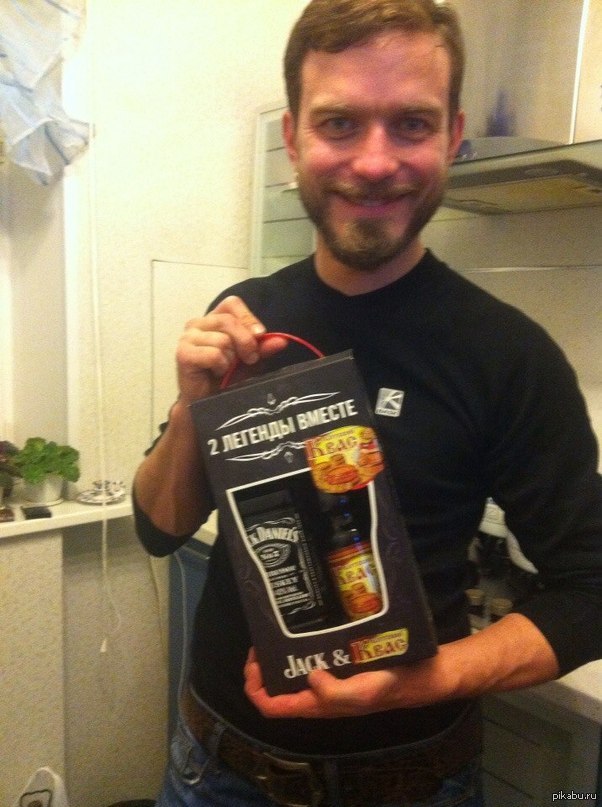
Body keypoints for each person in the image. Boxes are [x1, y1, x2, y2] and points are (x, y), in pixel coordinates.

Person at [133, 1, 602, 805]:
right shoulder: (247, 316)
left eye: (411, 124)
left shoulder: (508, 356)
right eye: (340, 123)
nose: (375, 161)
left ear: (453, 136)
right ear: (294, 139)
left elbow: (592, 589)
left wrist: (426, 677)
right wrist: (189, 413)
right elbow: (159, 527)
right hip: (214, 769)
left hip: (412, 780)